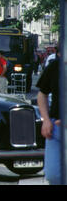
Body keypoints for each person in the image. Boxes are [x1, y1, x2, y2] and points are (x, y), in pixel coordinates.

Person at [36, 44, 61, 185]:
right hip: (56, 129)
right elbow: (42, 93)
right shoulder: (54, 67)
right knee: (53, 174)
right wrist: (46, 120)